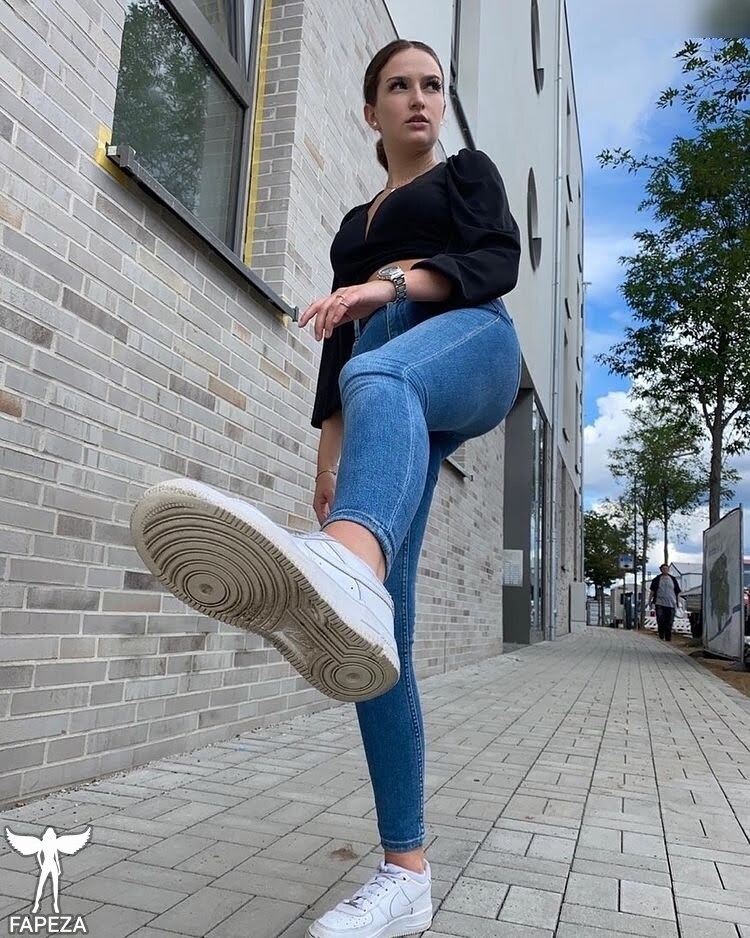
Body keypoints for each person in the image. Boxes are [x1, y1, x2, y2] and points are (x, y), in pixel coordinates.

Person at [131, 38, 521, 938]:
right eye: (399, 86)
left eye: (432, 85)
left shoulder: (466, 174)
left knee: (382, 371)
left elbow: (495, 261)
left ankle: (344, 560)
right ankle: (406, 877)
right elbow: (339, 350)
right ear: (370, 110)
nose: (420, 98)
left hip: (470, 344)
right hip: (384, 393)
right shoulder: (353, 224)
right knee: (382, 641)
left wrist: (388, 285)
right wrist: (326, 463)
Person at [649, 564, 682, 641]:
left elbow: (677, 592)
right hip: (660, 603)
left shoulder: (673, 579)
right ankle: (661, 634)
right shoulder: (657, 579)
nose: (665, 570)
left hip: (671, 603)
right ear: (661, 570)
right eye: (663, 569)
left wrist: (678, 602)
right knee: (660, 620)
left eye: (666, 568)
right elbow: (652, 591)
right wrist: (649, 601)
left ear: (668, 570)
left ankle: (668, 637)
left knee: (669, 621)